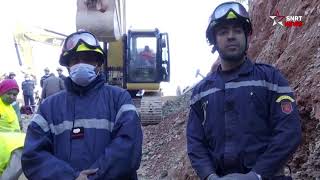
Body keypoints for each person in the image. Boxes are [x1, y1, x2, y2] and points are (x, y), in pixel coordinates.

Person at [186, 2, 302, 180]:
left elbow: (289, 132)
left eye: (237, 30)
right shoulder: (201, 92)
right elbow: (195, 143)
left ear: (247, 36)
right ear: (214, 40)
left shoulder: (270, 79)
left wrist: (257, 175)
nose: (231, 36)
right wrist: (209, 176)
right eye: (223, 32)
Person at [22, 31, 143, 180]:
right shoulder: (49, 107)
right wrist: (70, 177)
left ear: (98, 63)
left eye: (87, 58)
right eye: (75, 60)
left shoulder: (119, 98)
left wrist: (92, 177)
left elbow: (128, 146)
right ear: (67, 65)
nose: (81, 64)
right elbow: (33, 156)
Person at [0, 79, 25, 179]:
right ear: (1, 92)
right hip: (7, 145)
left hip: (11, 146)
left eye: (15, 95)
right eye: (9, 93)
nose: (12, 97)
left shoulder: (10, 106)